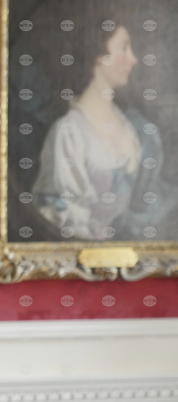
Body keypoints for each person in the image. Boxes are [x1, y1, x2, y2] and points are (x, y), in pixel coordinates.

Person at [32, 18, 176, 240]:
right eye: (124, 48)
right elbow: (62, 216)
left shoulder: (133, 126)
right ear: (99, 54)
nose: (133, 59)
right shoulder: (69, 132)